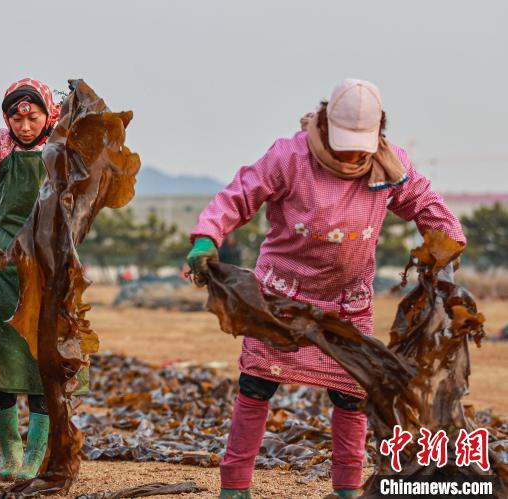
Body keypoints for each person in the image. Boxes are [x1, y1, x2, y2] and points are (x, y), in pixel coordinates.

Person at [186, 79, 465, 499]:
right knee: (256, 385)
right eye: (344, 143)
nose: (352, 154)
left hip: (348, 302)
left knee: (352, 395)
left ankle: (347, 488)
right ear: (326, 124)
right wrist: (208, 237)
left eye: (360, 145)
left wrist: (446, 243)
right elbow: (238, 195)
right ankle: (235, 485)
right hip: (280, 295)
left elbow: (425, 204)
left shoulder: (389, 166)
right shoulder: (291, 156)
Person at [0, 78, 59, 481]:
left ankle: (36, 456)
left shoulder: (65, 149)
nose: (24, 126)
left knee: (46, 366)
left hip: (50, 266)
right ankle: (11, 455)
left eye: (33, 117)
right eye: (16, 118)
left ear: (48, 114)